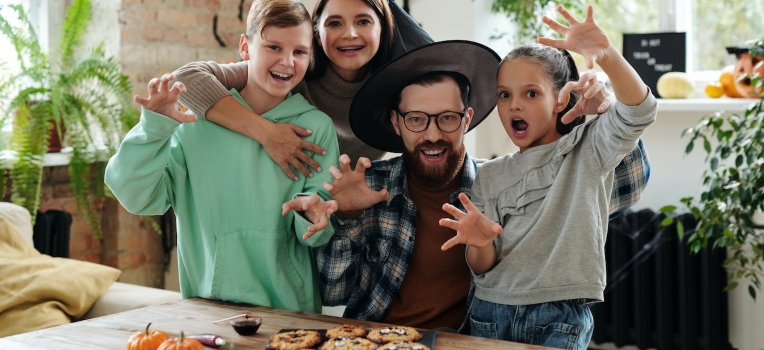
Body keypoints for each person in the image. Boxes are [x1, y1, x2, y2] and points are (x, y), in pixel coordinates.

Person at [310, 38, 647, 331]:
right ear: (396, 123)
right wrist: (348, 218)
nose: (432, 134)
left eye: (447, 118)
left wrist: (604, 110)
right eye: (415, 119)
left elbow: (629, 183)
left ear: (467, 119)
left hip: (469, 338)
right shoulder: (370, 187)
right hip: (379, 339)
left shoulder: (499, 183)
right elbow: (333, 292)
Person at [170, 0, 633, 181]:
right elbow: (188, 81)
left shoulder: (405, 78)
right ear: (316, 35)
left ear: (383, 27)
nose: (349, 34)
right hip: (298, 181)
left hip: (381, 181)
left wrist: (600, 96)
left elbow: (470, 108)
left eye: (363, 21)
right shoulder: (296, 68)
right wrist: (266, 133)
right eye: (334, 23)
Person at [438, 6, 656, 349]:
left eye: (531, 93)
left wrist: (608, 55)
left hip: (559, 317)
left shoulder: (589, 148)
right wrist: (478, 243)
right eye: (504, 95)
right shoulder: (490, 175)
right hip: (489, 312)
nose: (514, 106)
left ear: (560, 99)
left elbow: (640, 111)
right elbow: (483, 267)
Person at [104, 0, 340, 313]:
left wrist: (316, 218)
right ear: (245, 47)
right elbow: (138, 197)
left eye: (299, 51)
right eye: (273, 47)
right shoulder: (194, 123)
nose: (287, 62)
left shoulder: (316, 127)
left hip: (289, 310)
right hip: (207, 306)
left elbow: (313, 231)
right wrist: (154, 129)